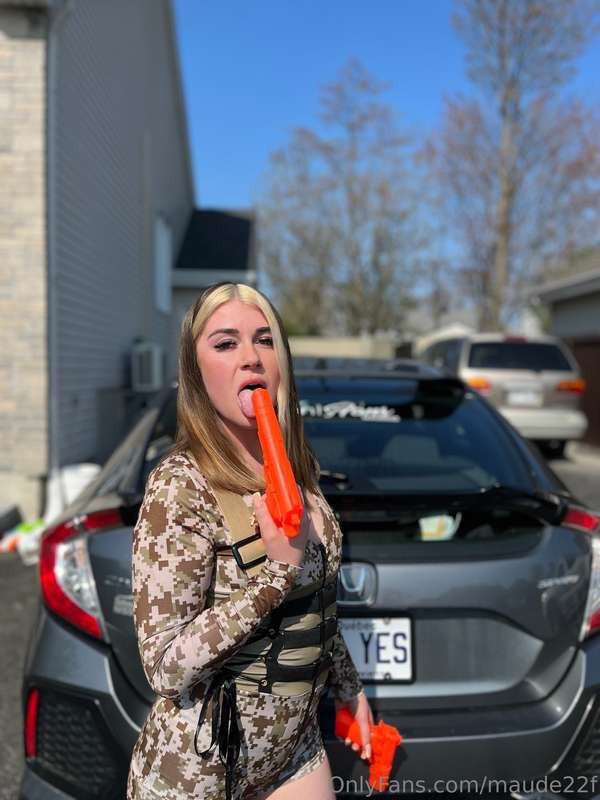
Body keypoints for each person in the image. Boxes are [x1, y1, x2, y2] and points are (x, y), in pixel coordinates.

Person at [127, 282, 374, 800]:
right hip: (199, 764)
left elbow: (317, 603)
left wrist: (349, 689)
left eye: (264, 340)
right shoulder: (181, 486)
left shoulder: (297, 472)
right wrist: (275, 575)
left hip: (294, 751)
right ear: (196, 373)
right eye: (225, 343)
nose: (251, 358)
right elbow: (165, 665)